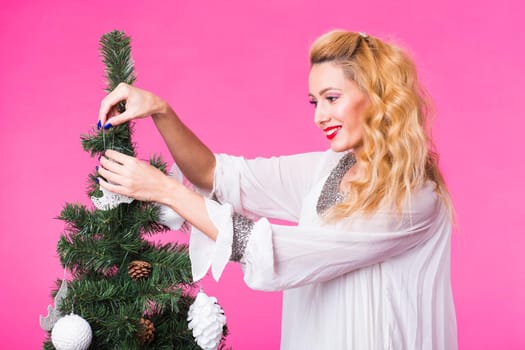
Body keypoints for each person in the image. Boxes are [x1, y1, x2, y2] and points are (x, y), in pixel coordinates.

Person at [96, 30, 458, 349]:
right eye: (315, 102)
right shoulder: (329, 168)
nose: (319, 116)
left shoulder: (412, 197)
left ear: (377, 97)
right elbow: (215, 174)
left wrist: (166, 191)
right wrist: (161, 111)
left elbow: (274, 253)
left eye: (332, 98)